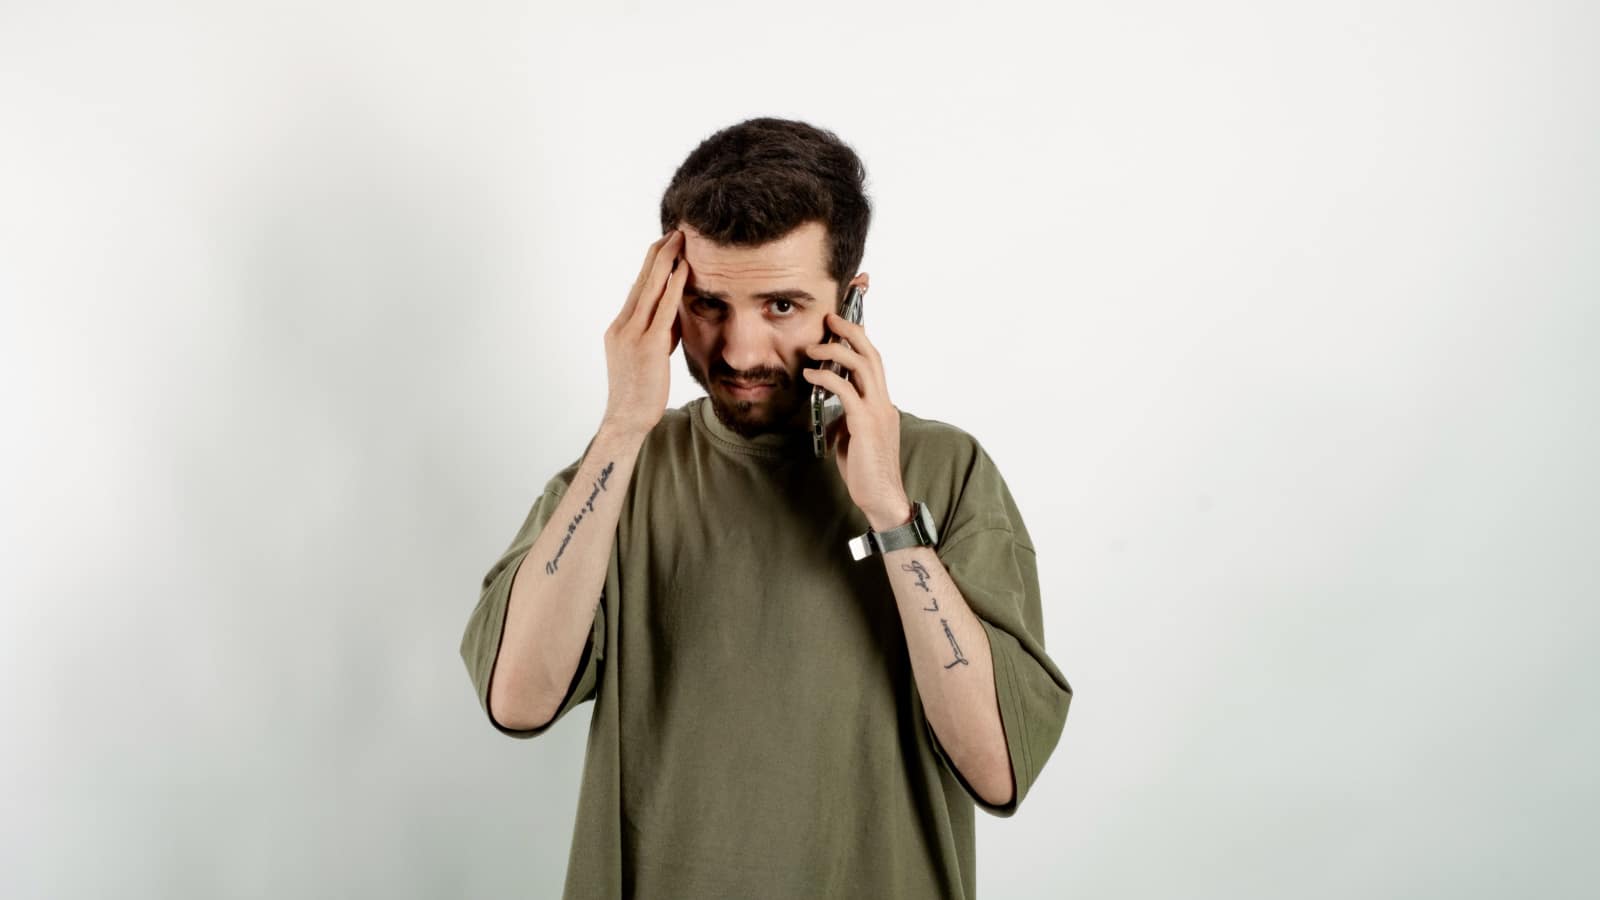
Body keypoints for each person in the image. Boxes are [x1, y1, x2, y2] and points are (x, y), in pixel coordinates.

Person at [460, 117, 1073, 899]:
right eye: (709, 303)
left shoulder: (945, 473)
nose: (741, 350)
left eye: (782, 306)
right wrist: (620, 428)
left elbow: (998, 770)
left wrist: (889, 513)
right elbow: (517, 700)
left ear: (850, 304)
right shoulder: (618, 474)